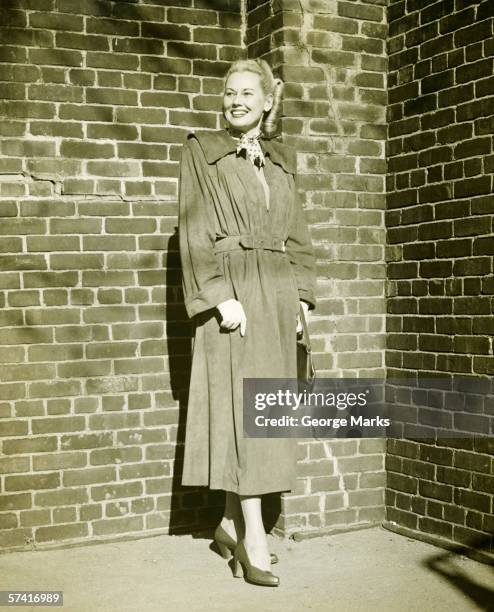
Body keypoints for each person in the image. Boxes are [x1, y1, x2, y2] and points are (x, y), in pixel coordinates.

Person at [178, 58, 316, 587]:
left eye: (246, 93)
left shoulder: (283, 161)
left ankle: (230, 524)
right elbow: (193, 231)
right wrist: (217, 296)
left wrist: (302, 299)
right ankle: (254, 538)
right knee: (242, 412)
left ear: (266, 102)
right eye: (228, 92)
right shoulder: (201, 152)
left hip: (277, 294)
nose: (235, 100)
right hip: (233, 296)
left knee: (267, 411)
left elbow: (299, 237)